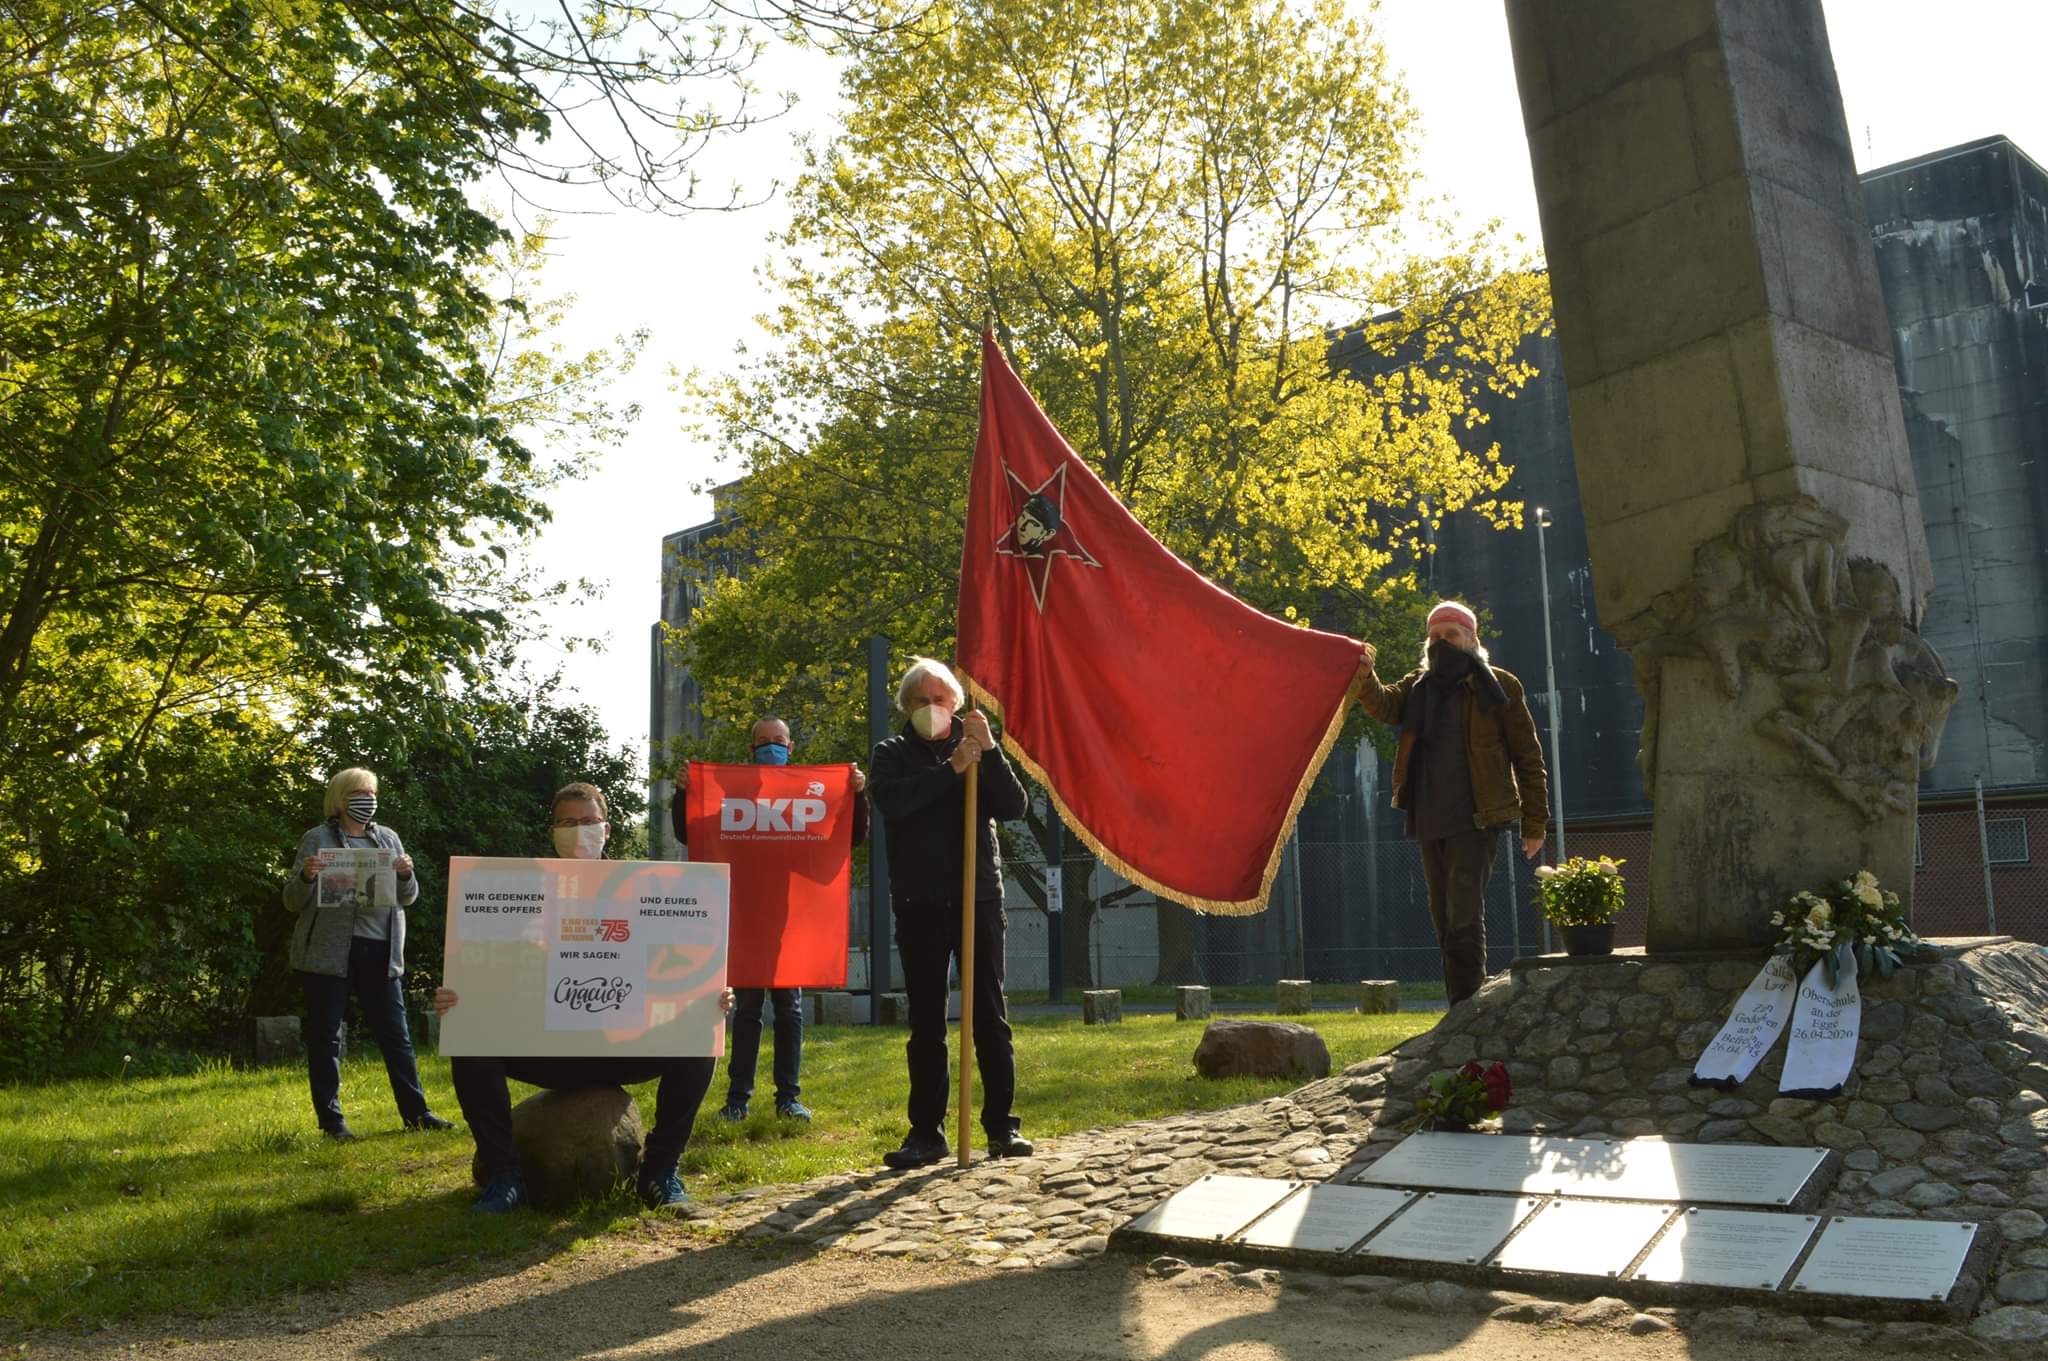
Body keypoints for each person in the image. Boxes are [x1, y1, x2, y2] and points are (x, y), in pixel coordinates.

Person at [437, 782, 721, 1214]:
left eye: (588, 822)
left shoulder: (643, 889)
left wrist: (709, 995)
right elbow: (484, 966)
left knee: (701, 1041)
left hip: (621, 1047)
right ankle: (504, 1178)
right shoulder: (516, 889)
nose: (579, 831)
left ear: (607, 830)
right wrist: (459, 995)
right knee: (469, 1043)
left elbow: (678, 969)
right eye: (568, 823)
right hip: (544, 1048)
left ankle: (659, 1173)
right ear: (552, 831)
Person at [868, 657, 1032, 1169]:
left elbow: (1014, 807)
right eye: (921, 701)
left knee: (989, 1014)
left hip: (977, 897)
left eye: (940, 700)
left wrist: (989, 749)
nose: (931, 709)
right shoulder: (891, 754)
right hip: (919, 901)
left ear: (956, 705)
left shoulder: (978, 747)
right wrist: (950, 771)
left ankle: (1002, 1126)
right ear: (906, 706)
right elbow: (894, 803)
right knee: (927, 1020)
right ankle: (927, 1133)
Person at [669, 716, 870, 1123]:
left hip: (787, 920)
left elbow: (849, 836)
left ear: (790, 747)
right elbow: (690, 834)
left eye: (778, 740)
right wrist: (682, 794)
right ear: (751, 749)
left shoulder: (804, 799)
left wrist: (858, 796)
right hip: (744, 917)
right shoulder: (729, 798)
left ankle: (788, 1097)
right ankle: (738, 1099)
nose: (771, 746)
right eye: (763, 741)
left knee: (789, 1009)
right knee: (746, 1010)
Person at [1358, 602, 1549, 1006]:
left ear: (1472, 639)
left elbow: (1528, 756)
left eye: (1451, 634)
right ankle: (1460, 1008)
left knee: (1463, 915)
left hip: (1478, 817)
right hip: (1428, 815)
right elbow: (1384, 704)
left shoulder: (1499, 685)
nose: (1442, 643)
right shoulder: (1418, 686)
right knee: (1444, 919)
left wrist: (1535, 822)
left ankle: (1467, 1009)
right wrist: (1361, 671)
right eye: (1435, 636)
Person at [284, 767, 453, 1140]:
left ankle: (417, 1114)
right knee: (326, 1039)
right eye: (359, 793)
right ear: (340, 799)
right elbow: (292, 901)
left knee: (397, 1037)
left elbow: (408, 898)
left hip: (381, 951)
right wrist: (307, 878)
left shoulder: (388, 838)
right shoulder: (317, 839)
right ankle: (333, 1123)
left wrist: (407, 874)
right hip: (329, 955)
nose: (368, 799)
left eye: (372, 792)